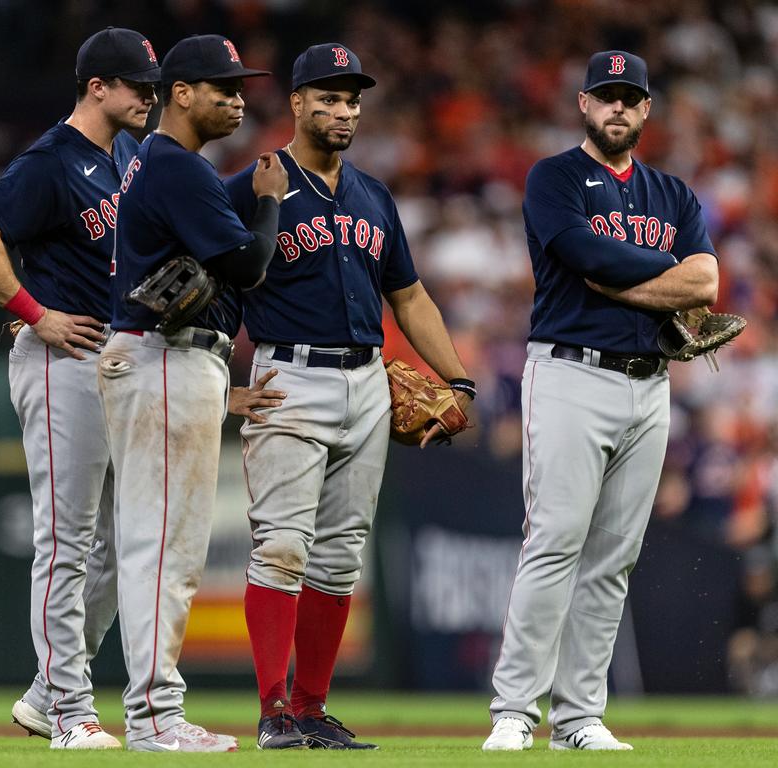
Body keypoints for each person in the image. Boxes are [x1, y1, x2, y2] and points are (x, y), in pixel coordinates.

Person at [223, 43, 474, 750]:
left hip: (367, 379)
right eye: (328, 97)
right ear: (296, 104)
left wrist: (457, 379)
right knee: (281, 549)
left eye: (352, 99)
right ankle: (272, 710)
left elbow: (411, 296)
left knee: (338, 558)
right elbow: (209, 282)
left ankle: (309, 707)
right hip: (288, 378)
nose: (343, 110)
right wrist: (221, 379)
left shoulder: (373, 195)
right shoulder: (255, 185)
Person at [482, 50, 719, 752]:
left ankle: (579, 716)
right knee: (554, 541)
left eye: (629, 97)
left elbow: (705, 282)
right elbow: (585, 256)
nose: (617, 107)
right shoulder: (555, 177)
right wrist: (662, 277)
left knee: (613, 557)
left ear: (646, 111)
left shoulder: (672, 194)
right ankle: (515, 710)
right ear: (583, 105)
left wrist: (628, 281)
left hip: (649, 383)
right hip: (569, 375)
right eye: (605, 95)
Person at [0, 27, 160, 750]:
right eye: (137, 85)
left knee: (115, 544)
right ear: (97, 86)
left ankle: (46, 693)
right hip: (62, 359)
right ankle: (72, 711)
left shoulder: (130, 155)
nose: (149, 96)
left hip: (117, 357)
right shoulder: (51, 160)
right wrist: (34, 315)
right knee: (67, 540)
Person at [97, 34, 289, 752]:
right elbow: (247, 266)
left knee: (164, 548)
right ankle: (153, 717)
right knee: (165, 551)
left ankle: (152, 711)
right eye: (221, 86)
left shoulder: (168, 166)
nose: (238, 98)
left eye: (240, 86)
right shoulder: (175, 167)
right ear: (180, 93)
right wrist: (267, 203)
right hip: (165, 358)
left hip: (169, 360)